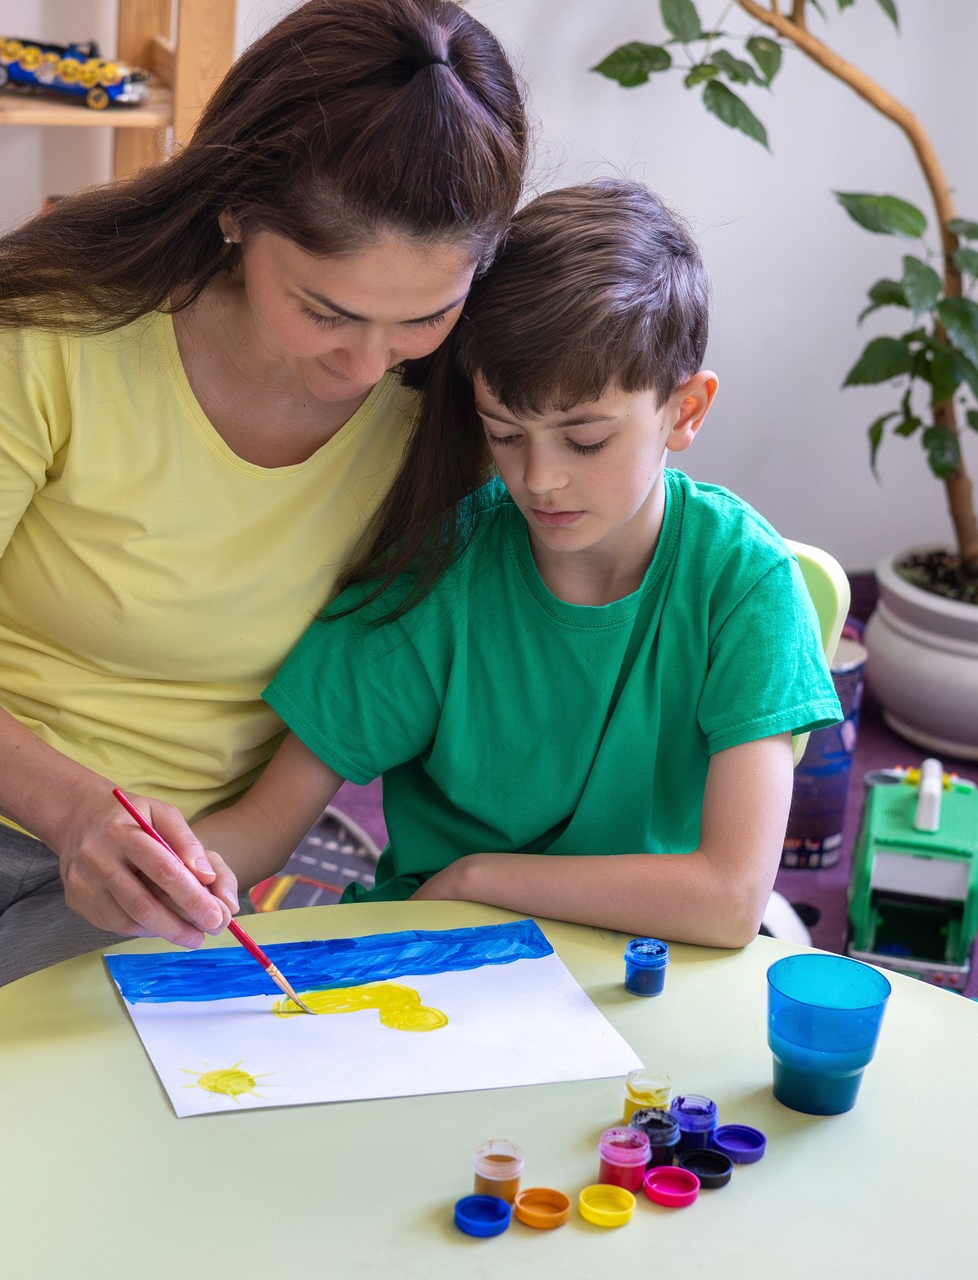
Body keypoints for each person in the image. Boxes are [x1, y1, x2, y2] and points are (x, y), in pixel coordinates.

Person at [0, 2, 527, 1274]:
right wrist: (75, 812)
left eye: (424, 316)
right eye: (327, 308)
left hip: (151, 881)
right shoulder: (57, 322)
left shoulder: (447, 408)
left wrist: (191, 858)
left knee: (56, 1208)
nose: (369, 360)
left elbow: (364, 696)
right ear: (238, 211)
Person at [194, 180, 843, 946]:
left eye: (586, 440)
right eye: (504, 433)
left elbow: (731, 899)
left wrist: (482, 879)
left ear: (686, 410)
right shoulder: (444, 574)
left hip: (648, 958)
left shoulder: (745, 583)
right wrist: (179, 866)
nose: (539, 479)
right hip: (442, 953)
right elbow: (266, 824)